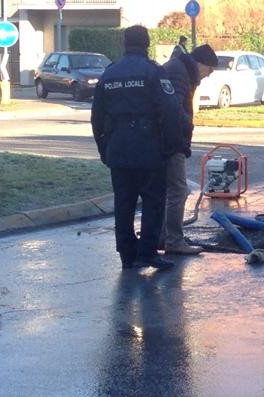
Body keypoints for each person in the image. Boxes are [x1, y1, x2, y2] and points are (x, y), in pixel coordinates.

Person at [91, 25, 188, 270]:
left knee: (124, 203)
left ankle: (126, 253)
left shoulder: (110, 73)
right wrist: (172, 145)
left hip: (118, 148)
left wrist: (104, 148)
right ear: (146, 44)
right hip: (148, 147)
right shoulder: (153, 71)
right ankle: (147, 252)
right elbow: (171, 110)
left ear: (125, 44)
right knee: (153, 201)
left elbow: (97, 115)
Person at [160, 44, 219, 256]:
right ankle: (174, 240)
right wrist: (185, 134)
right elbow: (173, 108)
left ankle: (161, 236)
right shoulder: (180, 72)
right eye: (209, 70)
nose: (208, 75)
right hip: (171, 141)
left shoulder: (178, 68)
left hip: (164, 139)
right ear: (201, 63)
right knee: (178, 190)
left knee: (164, 190)